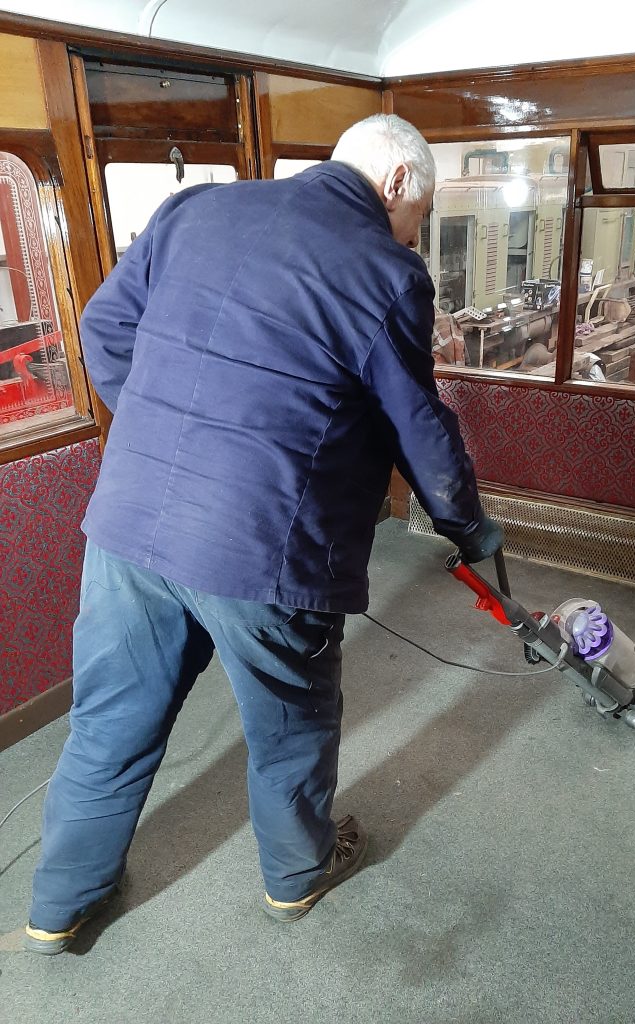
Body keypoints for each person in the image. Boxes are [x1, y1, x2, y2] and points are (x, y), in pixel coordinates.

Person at [24, 114, 503, 954]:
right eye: (418, 214)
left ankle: (58, 906)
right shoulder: (385, 272)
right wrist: (470, 530)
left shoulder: (195, 210)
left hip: (129, 526)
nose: (411, 231)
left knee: (106, 720)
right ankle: (297, 876)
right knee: (290, 724)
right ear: (396, 185)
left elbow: (103, 331)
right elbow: (420, 427)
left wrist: (168, 434)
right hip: (265, 549)